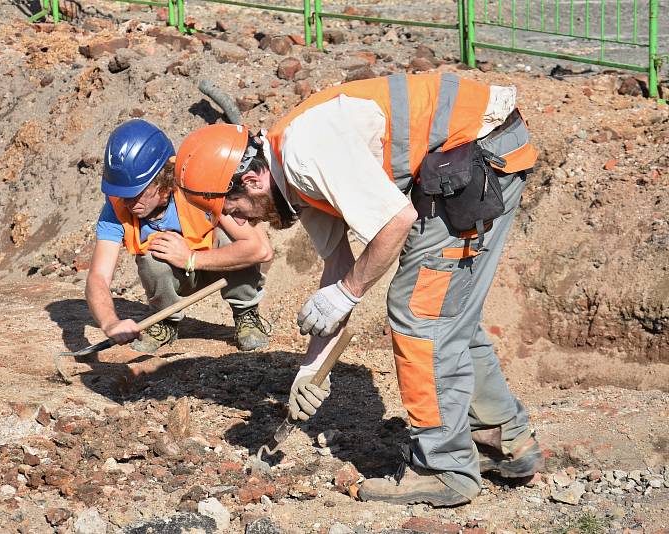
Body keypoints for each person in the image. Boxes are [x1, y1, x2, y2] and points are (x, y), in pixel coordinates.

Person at [173, 73, 544, 507]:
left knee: (420, 312)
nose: (246, 222)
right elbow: (338, 266)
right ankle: (505, 440)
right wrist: (311, 369)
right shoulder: (292, 179)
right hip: (466, 153)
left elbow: (394, 224)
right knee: (444, 309)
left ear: (252, 181)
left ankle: (444, 469)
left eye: (235, 210)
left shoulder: (303, 157)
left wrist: (347, 295)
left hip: (480, 151)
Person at [86, 119, 272, 354]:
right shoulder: (116, 208)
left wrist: (190, 258)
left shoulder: (197, 183)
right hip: (179, 277)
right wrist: (109, 322)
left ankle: (246, 314)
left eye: (137, 193)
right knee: (152, 258)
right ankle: (165, 321)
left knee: (233, 238)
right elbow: (98, 277)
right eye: (123, 194)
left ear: (162, 182)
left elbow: (261, 250)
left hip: (218, 264)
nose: (128, 203)